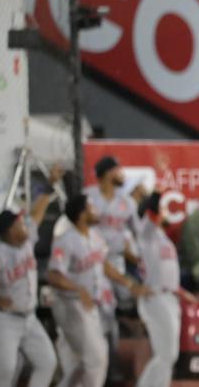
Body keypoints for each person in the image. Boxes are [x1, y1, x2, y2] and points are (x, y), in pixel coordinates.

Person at [47, 195, 151, 387]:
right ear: (80, 215)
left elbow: (103, 265)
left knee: (85, 361)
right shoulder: (65, 240)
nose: (96, 211)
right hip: (70, 304)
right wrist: (78, 289)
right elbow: (53, 276)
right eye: (91, 208)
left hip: (88, 304)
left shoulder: (94, 235)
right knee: (96, 360)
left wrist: (130, 284)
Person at [0, 167, 62, 387]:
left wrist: (49, 186)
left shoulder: (26, 240)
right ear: (9, 230)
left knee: (47, 362)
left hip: (29, 318)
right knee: (6, 371)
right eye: (18, 223)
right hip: (2, 320)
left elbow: (37, 213)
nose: (24, 224)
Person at [84, 155, 139, 383]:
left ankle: (113, 365)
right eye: (117, 170)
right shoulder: (88, 196)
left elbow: (137, 233)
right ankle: (104, 368)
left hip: (116, 261)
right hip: (92, 264)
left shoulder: (127, 202)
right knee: (101, 314)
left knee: (116, 311)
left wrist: (136, 255)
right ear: (107, 173)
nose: (121, 174)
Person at [134, 191, 197, 387]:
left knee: (168, 355)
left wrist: (181, 292)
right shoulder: (147, 233)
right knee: (166, 354)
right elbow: (151, 211)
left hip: (168, 297)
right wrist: (157, 193)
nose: (163, 212)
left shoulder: (162, 237)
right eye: (161, 209)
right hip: (155, 296)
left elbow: (165, 272)